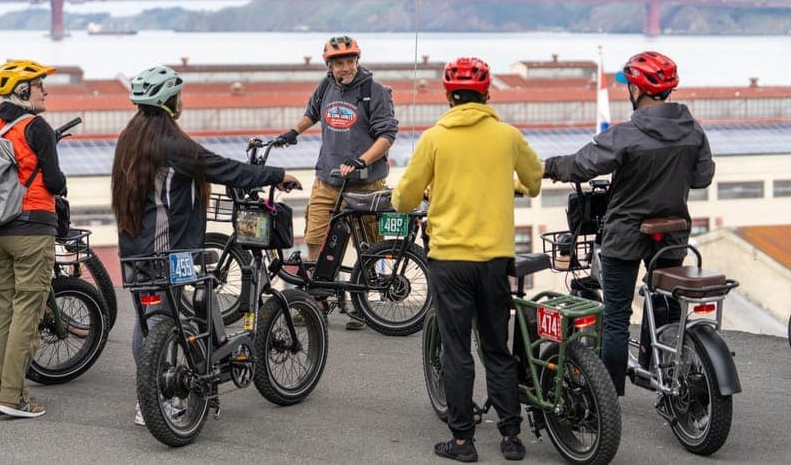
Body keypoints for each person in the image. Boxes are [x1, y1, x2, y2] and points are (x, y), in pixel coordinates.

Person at [111, 65, 301, 426]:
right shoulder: (171, 144)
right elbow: (223, 168)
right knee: (167, 321)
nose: (182, 101)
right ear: (169, 101)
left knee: (149, 323)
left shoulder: (131, 136)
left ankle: (150, 398)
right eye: (178, 96)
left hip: (135, 248)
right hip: (168, 251)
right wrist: (278, 175)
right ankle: (161, 399)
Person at [392, 57, 541, 462]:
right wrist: (506, 184)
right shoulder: (507, 136)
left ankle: (462, 442)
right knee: (496, 346)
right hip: (495, 260)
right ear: (487, 93)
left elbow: (404, 198)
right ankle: (511, 437)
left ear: (448, 95)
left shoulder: (434, 138)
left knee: (456, 349)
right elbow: (535, 181)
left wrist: (426, 193)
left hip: (449, 260)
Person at [543, 50, 715, 396]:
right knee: (665, 303)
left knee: (617, 316)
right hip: (673, 231)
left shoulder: (628, 134)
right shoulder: (693, 131)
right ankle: (664, 374)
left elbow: (581, 165)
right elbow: (702, 177)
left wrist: (548, 166)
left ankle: (607, 399)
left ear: (637, 90)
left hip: (625, 232)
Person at [277, 35, 398, 330]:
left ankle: (361, 305)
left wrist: (362, 160)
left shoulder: (374, 90)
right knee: (315, 238)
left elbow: (387, 135)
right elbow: (312, 113)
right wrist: (292, 132)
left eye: (349, 61)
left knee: (367, 245)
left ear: (357, 60)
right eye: (339, 63)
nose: (345, 67)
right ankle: (318, 298)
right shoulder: (326, 86)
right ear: (329, 66)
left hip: (365, 182)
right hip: (328, 178)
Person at [0, 59, 67, 418]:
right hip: (32, 229)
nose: (45, 90)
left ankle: (0, 388)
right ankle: (13, 399)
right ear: (22, 91)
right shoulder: (38, 127)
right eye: (38, 85)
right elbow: (53, 181)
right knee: (27, 313)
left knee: (6, 309)